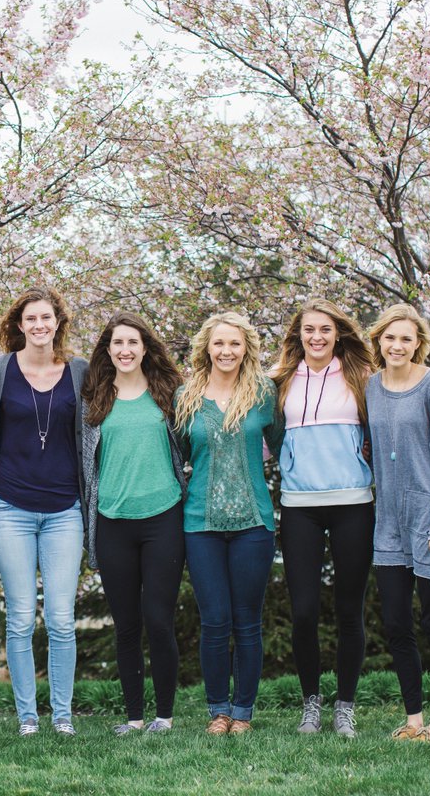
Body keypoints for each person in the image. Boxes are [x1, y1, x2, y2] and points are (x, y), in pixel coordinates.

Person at [0, 287, 88, 737]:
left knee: (61, 618)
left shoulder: (80, 372)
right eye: (31, 319)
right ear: (18, 325)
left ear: (58, 322)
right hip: (11, 507)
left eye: (47, 318)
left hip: (66, 508)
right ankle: (27, 717)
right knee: (20, 616)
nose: (40, 326)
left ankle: (61, 715)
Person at [175, 312, 283, 736]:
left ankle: (243, 713)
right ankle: (218, 710)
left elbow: (280, 444)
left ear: (246, 348)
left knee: (247, 621)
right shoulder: (187, 396)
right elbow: (181, 455)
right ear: (207, 347)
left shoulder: (262, 394)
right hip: (200, 523)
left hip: (253, 523)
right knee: (215, 620)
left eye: (235, 344)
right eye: (219, 344)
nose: (227, 351)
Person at [270, 299, 374, 737]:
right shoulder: (279, 381)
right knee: (305, 612)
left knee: (350, 610)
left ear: (337, 334)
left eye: (325, 330)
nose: (317, 337)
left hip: (353, 503)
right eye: (308, 330)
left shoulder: (361, 379)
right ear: (298, 335)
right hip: (299, 506)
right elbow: (269, 438)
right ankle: (311, 703)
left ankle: (344, 706)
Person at [81, 311, 186, 735]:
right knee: (126, 626)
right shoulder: (94, 399)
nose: (125, 351)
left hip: (163, 518)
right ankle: (133, 717)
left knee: (158, 620)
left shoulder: (169, 394)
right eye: (117, 344)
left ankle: (163, 717)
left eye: (132, 343)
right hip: (112, 523)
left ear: (145, 348)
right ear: (108, 350)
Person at [365, 304, 430, 741]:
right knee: (397, 623)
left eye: (406, 338)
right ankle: (413, 720)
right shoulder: (371, 387)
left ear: (418, 343)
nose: (397, 345)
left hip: (428, 521)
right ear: (379, 342)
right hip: (387, 522)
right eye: (390, 338)